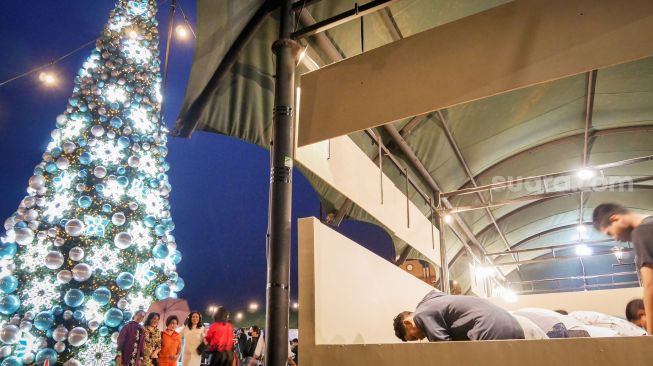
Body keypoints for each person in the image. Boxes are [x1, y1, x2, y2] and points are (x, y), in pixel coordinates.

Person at [593, 203, 653, 335]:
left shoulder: (642, 231)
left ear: (615, 219)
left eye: (610, 233)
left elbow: (650, 285)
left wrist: (651, 335)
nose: (615, 238)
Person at [393, 290, 524, 342]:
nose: (420, 339)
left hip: (489, 328)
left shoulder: (421, 315)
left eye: (413, 337)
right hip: (512, 324)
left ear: (407, 323)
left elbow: (447, 351)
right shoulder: (436, 302)